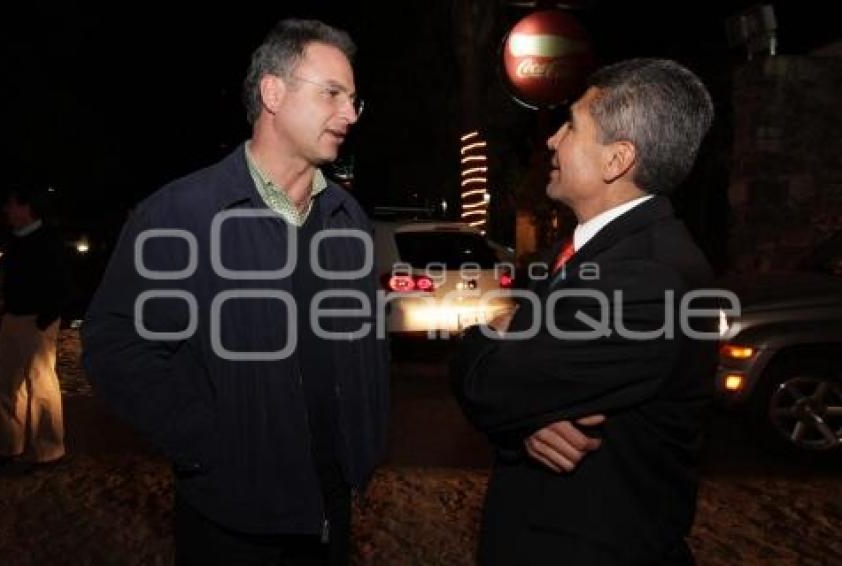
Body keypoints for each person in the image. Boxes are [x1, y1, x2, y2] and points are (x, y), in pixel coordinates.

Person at [81, 19, 388, 565]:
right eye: (333, 94)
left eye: (354, 100)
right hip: (231, 520)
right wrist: (207, 445)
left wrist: (362, 444)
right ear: (273, 92)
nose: (349, 115)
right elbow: (117, 344)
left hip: (332, 509)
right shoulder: (182, 214)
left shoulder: (348, 218)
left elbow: (363, 347)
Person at [451, 58, 717, 564]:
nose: (552, 140)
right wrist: (523, 420)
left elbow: (493, 385)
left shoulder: (650, 277)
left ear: (616, 160)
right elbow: (508, 387)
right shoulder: (569, 253)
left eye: (571, 125)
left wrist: (488, 342)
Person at [0, 184, 67, 466]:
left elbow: (62, 285)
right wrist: (4, 306)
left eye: (11, 204)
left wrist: (45, 318)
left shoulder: (48, 240)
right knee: (4, 384)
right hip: (13, 318)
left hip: (36, 320)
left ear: (26, 208)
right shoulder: (17, 240)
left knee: (41, 385)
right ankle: (7, 445)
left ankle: (49, 450)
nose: (6, 210)